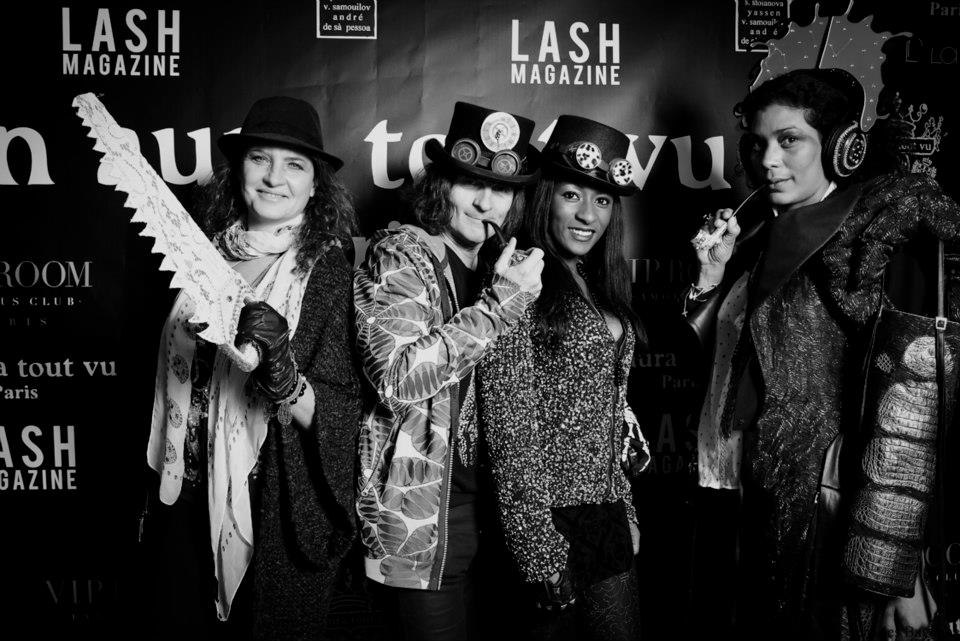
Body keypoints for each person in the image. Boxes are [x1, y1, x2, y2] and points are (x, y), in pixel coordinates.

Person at [687, 68, 960, 640]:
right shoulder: (756, 238)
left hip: (827, 513)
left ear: (840, 147)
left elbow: (910, 410)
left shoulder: (873, 237)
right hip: (745, 497)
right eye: (757, 143)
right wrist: (712, 278)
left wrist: (897, 571)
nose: (768, 160)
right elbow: (727, 368)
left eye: (790, 140)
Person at [143, 96, 361, 640]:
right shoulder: (199, 257)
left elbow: (346, 413)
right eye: (260, 159)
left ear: (315, 185)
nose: (274, 178)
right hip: (181, 492)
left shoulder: (326, 273)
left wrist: (284, 377)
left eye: (294, 165)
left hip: (266, 507)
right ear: (237, 170)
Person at [354, 101, 545, 641]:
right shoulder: (400, 255)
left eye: (501, 189)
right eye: (470, 183)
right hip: (421, 519)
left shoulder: (495, 268)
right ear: (442, 185)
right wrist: (500, 306)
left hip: (495, 515)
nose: (485, 202)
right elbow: (396, 377)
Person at [476, 115, 650, 641]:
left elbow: (611, 412)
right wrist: (536, 546)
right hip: (548, 518)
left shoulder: (598, 280)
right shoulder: (519, 273)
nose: (587, 215)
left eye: (602, 201)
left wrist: (624, 506)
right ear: (545, 197)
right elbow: (509, 421)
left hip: (606, 512)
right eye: (571, 195)